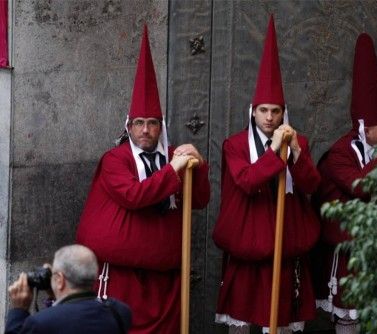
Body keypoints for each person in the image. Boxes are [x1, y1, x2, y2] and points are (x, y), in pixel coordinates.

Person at [75, 25, 210, 334]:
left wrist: (197, 167)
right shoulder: (115, 159)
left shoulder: (174, 155)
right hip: (123, 278)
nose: (146, 130)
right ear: (129, 126)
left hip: (165, 279)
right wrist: (174, 169)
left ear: (161, 126)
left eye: (152, 123)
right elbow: (134, 196)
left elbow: (199, 201)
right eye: (139, 123)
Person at [212, 15, 320, 334]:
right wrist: (274, 151)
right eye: (264, 111)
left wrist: (296, 153)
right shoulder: (234, 145)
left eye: (275, 111)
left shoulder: (298, 142)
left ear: (283, 112)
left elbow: (312, 186)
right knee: (242, 319)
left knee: (281, 320)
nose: (270, 118)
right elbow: (247, 181)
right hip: (250, 240)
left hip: (285, 242)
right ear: (253, 112)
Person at [311, 33, 377, 334]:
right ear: (365, 128)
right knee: (350, 317)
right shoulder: (340, 153)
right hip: (347, 250)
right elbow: (359, 187)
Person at [5, 244, 131, 334]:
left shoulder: (40, 323)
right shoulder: (119, 311)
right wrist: (55, 294)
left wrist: (18, 310)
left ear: (60, 279)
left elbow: (63, 319)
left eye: (54, 274)